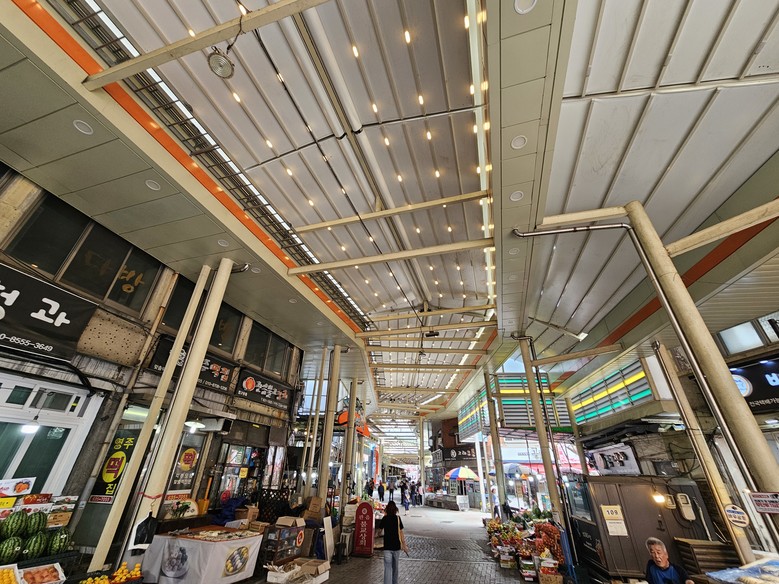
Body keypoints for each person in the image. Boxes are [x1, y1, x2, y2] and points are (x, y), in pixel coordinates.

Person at [378, 501, 407, 584]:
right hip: (396, 547)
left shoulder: (385, 518)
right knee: (395, 568)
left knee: (387, 568)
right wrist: (404, 545)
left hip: (387, 546)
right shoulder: (397, 518)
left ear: (387, 509)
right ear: (395, 509)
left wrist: (378, 535)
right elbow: (401, 532)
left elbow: (379, 531)